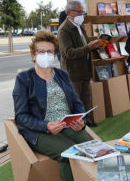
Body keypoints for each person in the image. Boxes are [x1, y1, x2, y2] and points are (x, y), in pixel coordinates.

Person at [13, 31, 91, 181]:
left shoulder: (63, 75)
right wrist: (46, 125)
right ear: (33, 55)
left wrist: (81, 121)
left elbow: (77, 103)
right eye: (40, 51)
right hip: (40, 131)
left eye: (49, 51)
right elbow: (21, 116)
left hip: (68, 125)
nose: (45, 54)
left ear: (55, 55)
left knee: (92, 149)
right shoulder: (24, 78)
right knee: (70, 154)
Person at [58, 0, 101, 127]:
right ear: (70, 12)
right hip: (73, 72)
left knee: (86, 97)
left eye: (83, 11)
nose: (82, 14)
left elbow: (85, 44)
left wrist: (96, 45)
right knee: (75, 100)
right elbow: (69, 53)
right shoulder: (64, 30)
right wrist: (89, 47)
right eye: (80, 11)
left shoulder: (80, 26)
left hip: (85, 69)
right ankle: (76, 124)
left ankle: (86, 121)